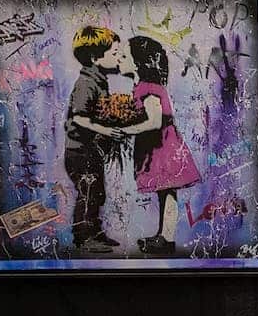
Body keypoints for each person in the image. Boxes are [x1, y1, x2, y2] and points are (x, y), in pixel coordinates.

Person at [118, 35, 202, 255]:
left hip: (161, 148)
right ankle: (165, 236)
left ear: (138, 63)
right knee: (166, 192)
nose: (119, 59)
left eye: (124, 56)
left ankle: (167, 238)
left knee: (167, 192)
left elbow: (154, 122)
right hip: (162, 145)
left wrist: (126, 129)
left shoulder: (148, 87)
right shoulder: (145, 85)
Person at [64, 25, 126, 254]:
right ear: (94, 57)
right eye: (114, 53)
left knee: (97, 192)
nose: (118, 57)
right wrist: (106, 131)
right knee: (88, 193)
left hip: (90, 151)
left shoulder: (99, 80)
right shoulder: (86, 83)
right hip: (80, 152)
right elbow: (80, 118)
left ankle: (95, 232)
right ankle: (83, 237)